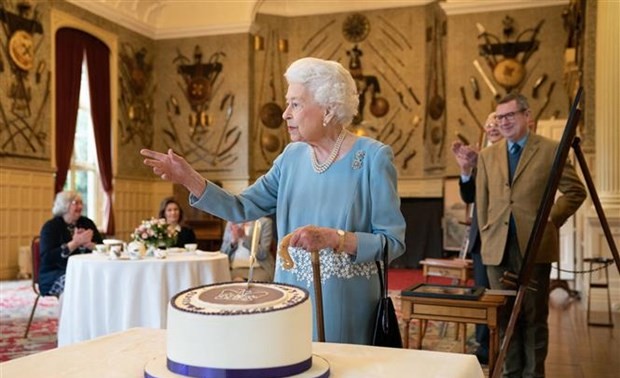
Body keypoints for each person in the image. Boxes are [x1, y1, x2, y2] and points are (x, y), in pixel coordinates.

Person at [141, 57, 406, 345]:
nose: (284, 114)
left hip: (347, 306)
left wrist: (336, 238)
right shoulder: (290, 159)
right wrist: (189, 178)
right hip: (290, 297)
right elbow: (240, 208)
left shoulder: (372, 158)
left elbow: (393, 242)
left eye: (295, 104)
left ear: (328, 109)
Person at [476, 93, 586, 377]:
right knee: (504, 318)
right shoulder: (488, 156)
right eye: (500, 117)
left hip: (534, 247)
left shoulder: (551, 150)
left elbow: (576, 191)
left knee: (534, 318)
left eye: (510, 115)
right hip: (496, 250)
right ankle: (512, 373)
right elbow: (483, 202)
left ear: (527, 116)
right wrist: (487, 232)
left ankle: (533, 374)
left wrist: (552, 219)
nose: (504, 122)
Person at [451, 112, 502, 365]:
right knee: (481, 293)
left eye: (497, 122)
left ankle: (503, 342)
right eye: (489, 123)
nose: (493, 126)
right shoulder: (478, 156)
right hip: (481, 238)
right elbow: (469, 196)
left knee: (501, 295)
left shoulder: (507, 157)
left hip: (506, 237)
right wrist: (465, 170)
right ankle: (483, 345)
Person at [39, 191, 103, 297]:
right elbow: (47, 258)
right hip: (54, 273)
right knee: (75, 284)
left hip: (87, 271)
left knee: (101, 280)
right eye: (76, 203)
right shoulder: (50, 227)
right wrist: (75, 243)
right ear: (65, 205)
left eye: (81, 203)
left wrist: (90, 245)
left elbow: (102, 247)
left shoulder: (87, 223)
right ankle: (69, 314)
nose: (80, 206)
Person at [220, 217, 275, 282]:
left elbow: (263, 254)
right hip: (235, 268)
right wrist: (233, 242)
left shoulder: (265, 222)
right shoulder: (231, 222)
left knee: (252, 287)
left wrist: (244, 237)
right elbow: (223, 253)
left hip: (258, 268)